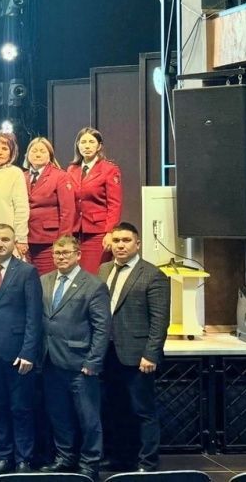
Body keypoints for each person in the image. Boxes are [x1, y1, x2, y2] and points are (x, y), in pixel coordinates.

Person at [98, 222, 169, 472]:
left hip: (138, 356)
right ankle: (119, 457)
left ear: (137, 244)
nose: (120, 245)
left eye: (126, 240)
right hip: (108, 353)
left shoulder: (152, 274)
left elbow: (160, 320)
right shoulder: (104, 269)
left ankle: (147, 462)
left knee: (143, 411)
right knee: (114, 408)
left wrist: (151, 354)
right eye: (116, 241)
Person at [39, 235, 110, 481]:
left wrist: (93, 361)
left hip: (81, 364)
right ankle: (64, 458)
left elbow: (102, 328)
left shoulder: (93, 285)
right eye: (57, 253)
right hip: (49, 361)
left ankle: (90, 464)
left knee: (88, 418)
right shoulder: (44, 281)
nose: (61, 257)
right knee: (58, 415)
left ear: (78, 255)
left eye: (66, 253)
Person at [0, 223, 44, 476]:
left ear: (13, 241)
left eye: (5, 239)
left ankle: (23, 460)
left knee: (21, 408)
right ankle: (3, 457)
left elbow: (34, 315)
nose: (0, 244)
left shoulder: (27, 271)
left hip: (18, 353)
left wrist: (29, 352)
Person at [66, 127, 123, 273]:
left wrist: (110, 232)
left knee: (93, 275)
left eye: (91, 142)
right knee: (76, 275)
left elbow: (114, 204)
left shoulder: (109, 169)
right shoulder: (72, 169)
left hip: (98, 233)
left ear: (99, 146)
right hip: (75, 232)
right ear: (77, 145)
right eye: (83, 142)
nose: (87, 146)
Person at [24, 137, 76, 275]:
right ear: (27, 155)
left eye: (42, 151)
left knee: (47, 280)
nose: (38, 154)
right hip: (26, 240)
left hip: (49, 240)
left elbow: (68, 211)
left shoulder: (60, 176)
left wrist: (63, 241)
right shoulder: (22, 176)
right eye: (34, 151)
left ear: (50, 155)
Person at [0, 130, 29, 262]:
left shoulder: (16, 173)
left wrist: (21, 238)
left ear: (11, 152)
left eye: (4, 148)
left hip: (8, 234)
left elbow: (22, 208)